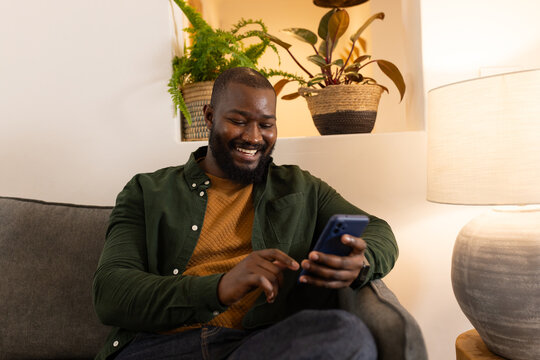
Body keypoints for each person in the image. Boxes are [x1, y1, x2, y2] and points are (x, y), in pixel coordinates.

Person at [93, 67, 398, 360]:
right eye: (239, 121)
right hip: (163, 347)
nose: (253, 137)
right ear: (209, 117)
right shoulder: (146, 191)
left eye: (266, 124)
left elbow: (380, 231)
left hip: (256, 346)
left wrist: (361, 261)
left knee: (348, 335)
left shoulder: (300, 188)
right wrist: (220, 287)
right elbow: (111, 293)